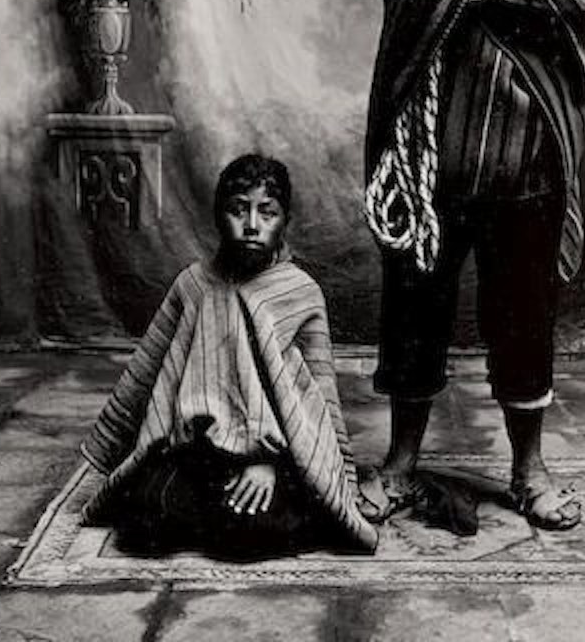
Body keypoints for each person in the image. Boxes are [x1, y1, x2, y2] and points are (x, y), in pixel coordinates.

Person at [363, 0, 585, 530]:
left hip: (524, 158)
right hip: (425, 162)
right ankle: (400, 466)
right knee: (413, 316)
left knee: (523, 321)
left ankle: (529, 472)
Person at [79, 154, 377, 558]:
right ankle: (204, 510)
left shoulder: (300, 291)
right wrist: (120, 444)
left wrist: (284, 466)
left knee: (242, 537)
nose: (252, 224)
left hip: (275, 456)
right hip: (198, 451)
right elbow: (149, 372)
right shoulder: (194, 284)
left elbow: (318, 399)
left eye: (267, 213)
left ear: (284, 221)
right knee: (142, 527)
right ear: (220, 216)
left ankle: (241, 509)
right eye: (239, 210)